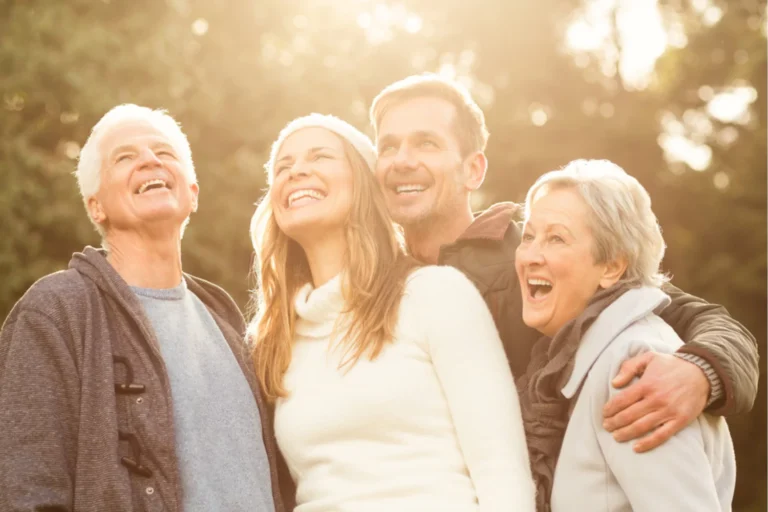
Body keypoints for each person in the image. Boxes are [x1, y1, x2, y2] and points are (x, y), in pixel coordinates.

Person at [369, 74, 759, 452]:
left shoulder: (537, 259)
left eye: (426, 143)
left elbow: (706, 320)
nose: (402, 161)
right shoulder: (364, 281)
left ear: (473, 170)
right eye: (388, 147)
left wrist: (700, 372)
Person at [0, 105, 285, 512]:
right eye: (124, 157)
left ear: (192, 192)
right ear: (95, 206)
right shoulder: (56, 312)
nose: (150, 160)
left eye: (164, 152)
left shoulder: (226, 321)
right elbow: (27, 491)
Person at [248, 113, 536, 512]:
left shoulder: (435, 294)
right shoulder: (272, 339)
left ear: (365, 184)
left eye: (320, 156)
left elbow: (502, 471)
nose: (296, 171)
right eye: (283, 166)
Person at [515, 159, 735, 511]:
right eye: (528, 236)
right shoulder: (594, 356)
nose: (530, 256)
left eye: (556, 238)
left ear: (612, 266)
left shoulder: (632, 367)